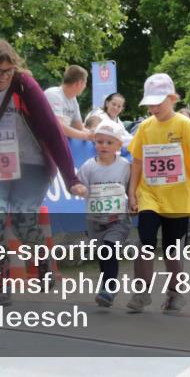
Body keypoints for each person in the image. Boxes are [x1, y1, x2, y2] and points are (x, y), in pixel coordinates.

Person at [0, 39, 87, 307]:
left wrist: (70, 178)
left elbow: (53, 132)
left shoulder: (25, 86)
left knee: (22, 220)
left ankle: (43, 263)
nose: (3, 77)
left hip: (32, 164)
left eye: (8, 71)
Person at [127, 73, 190, 313]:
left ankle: (175, 293)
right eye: (149, 103)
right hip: (150, 195)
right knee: (145, 243)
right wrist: (132, 193)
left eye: (158, 102)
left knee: (173, 250)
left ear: (172, 98)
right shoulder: (144, 127)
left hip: (178, 198)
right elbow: (137, 163)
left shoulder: (184, 125)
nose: (153, 107)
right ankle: (141, 292)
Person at [77, 118, 131, 308]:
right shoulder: (88, 166)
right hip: (95, 220)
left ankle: (109, 288)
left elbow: (131, 187)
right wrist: (79, 189)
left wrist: (133, 201)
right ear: (94, 143)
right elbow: (76, 184)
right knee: (104, 254)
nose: (104, 146)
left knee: (110, 249)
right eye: (100, 142)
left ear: (118, 145)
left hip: (118, 220)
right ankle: (106, 285)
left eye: (109, 142)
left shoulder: (124, 165)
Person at [44, 65, 94, 141]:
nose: (85, 86)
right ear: (79, 83)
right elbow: (59, 126)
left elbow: (79, 127)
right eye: (85, 83)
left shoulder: (73, 99)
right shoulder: (53, 94)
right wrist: (86, 136)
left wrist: (96, 134)